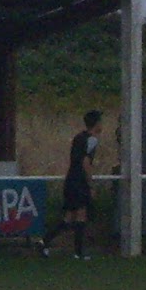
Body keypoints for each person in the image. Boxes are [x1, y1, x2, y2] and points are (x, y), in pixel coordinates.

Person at [40, 109, 102, 260]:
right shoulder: (92, 139)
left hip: (70, 179)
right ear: (96, 124)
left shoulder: (78, 137)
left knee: (68, 217)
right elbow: (85, 162)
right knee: (81, 214)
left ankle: (44, 241)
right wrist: (91, 184)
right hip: (79, 181)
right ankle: (78, 252)